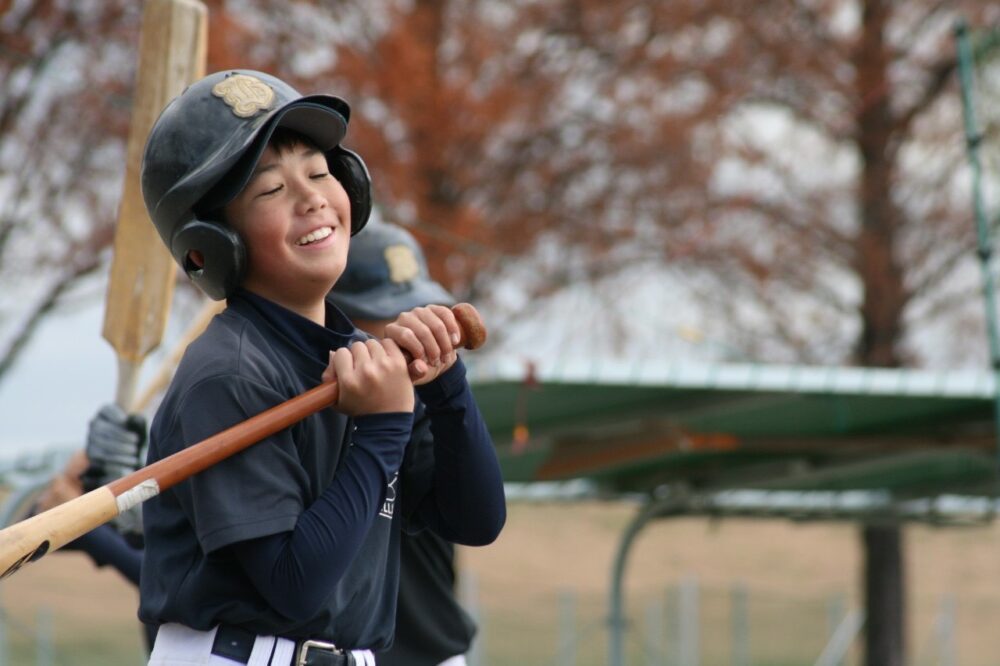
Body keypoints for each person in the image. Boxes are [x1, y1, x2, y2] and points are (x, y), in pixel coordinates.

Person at [136, 69, 506, 666]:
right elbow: (292, 584)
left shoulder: (364, 360)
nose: (311, 198)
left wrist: (447, 385)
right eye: (270, 190)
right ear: (212, 242)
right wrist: (381, 428)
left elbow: (476, 519)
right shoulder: (229, 374)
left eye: (318, 172)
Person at [325, 216, 478, 666]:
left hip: (429, 654)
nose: (404, 332)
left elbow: (482, 520)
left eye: (410, 313)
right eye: (382, 316)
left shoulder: (426, 408)